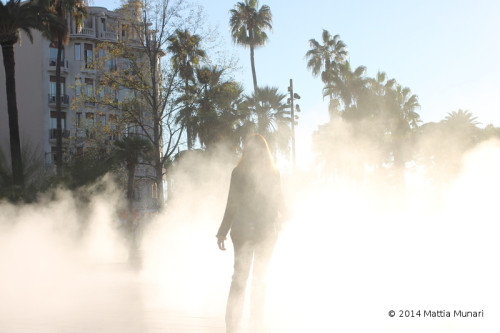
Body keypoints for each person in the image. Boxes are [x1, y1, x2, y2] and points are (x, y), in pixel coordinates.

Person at [216, 134, 287, 333]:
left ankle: (233, 326)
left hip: (245, 231)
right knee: (258, 279)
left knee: (240, 279)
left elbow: (232, 203)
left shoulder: (239, 172)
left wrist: (223, 232)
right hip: (265, 231)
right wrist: (287, 215)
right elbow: (279, 200)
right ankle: (254, 325)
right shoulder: (271, 173)